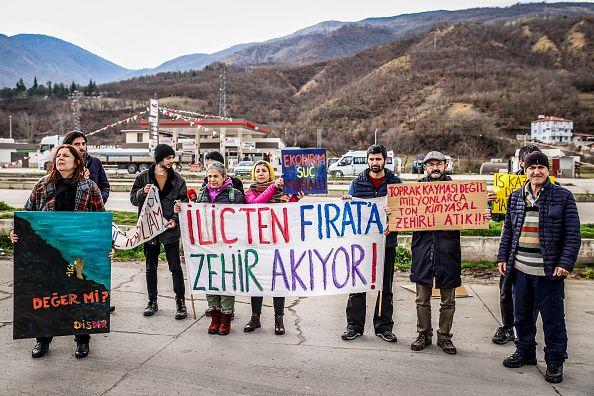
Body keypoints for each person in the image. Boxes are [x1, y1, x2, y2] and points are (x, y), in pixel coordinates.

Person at [9, 144, 105, 359]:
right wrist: (16, 234)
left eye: (65, 156)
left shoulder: (89, 187)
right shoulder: (43, 185)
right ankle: (43, 339)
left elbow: (100, 220)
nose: (60, 159)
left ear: (76, 162)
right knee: (47, 295)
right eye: (58, 156)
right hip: (48, 253)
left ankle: (82, 339)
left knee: (80, 295)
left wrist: (104, 248)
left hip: (78, 252)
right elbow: (27, 215)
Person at [498, 152, 580, 384]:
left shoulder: (563, 197)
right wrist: (503, 256)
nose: (536, 171)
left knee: (553, 321)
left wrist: (565, 263)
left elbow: (572, 235)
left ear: (548, 170)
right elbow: (508, 231)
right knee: (521, 317)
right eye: (532, 168)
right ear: (525, 171)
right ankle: (525, 352)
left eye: (541, 167)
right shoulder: (516, 197)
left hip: (549, 274)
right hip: (520, 270)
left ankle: (554, 361)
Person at [405, 151, 465, 355]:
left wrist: (481, 212)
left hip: (448, 252)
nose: (435, 167)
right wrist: (393, 212)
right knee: (422, 299)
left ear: (445, 165)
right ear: (425, 167)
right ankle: (424, 334)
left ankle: (444, 336)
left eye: (439, 163)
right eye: (431, 164)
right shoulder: (415, 191)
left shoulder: (458, 191)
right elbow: (402, 213)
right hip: (423, 250)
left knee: (448, 300)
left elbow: (469, 215)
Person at [341, 144, 401, 343]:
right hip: (363, 243)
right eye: (372, 159)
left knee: (386, 286)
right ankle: (354, 326)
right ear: (367, 160)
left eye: (379, 159)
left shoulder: (395, 183)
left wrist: (393, 223)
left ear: (385, 160)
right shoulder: (357, 183)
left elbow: (402, 211)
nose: (375, 162)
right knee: (357, 283)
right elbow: (348, 211)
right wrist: (347, 201)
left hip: (387, 242)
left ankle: (384, 327)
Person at [242, 160, 304, 335]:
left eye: (264, 170)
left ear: (270, 173)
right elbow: (257, 204)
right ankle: (255, 317)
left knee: (279, 280)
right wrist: (274, 187)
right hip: (258, 243)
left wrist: (295, 198)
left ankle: (279, 318)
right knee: (257, 280)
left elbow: (287, 211)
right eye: (258, 171)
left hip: (278, 242)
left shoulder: (282, 192)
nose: (261, 173)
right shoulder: (250, 192)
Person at [489, 145, 541, 345]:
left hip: (536, 252)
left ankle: (526, 330)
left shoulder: (551, 187)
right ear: (521, 163)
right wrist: (492, 203)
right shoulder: (507, 184)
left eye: (539, 162)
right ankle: (508, 326)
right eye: (530, 162)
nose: (535, 168)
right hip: (511, 249)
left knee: (533, 296)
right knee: (506, 291)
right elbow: (499, 217)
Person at [130, 144, 188, 320]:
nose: (172, 161)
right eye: (168, 158)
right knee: (150, 267)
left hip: (169, 229)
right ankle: (152, 301)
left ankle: (180, 303)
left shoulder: (178, 180)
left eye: (172, 157)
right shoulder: (142, 178)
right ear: (159, 159)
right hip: (149, 229)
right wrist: (142, 192)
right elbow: (133, 199)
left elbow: (183, 204)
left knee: (175, 268)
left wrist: (175, 219)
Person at [63, 131, 115, 313]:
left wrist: (100, 199)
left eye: (84, 143)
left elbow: (105, 186)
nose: (82, 147)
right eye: (77, 144)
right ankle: (70, 299)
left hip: (91, 219)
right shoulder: (62, 163)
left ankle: (100, 297)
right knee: (71, 263)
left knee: (91, 263)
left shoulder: (95, 163)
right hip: (70, 224)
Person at [197, 161, 245, 335]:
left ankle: (225, 319)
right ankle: (214, 318)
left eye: (216, 176)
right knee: (211, 280)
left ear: (224, 177)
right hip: (208, 245)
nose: (212, 179)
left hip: (228, 247)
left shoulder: (236, 195)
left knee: (226, 280)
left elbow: (245, 220)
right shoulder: (202, 193)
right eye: (209, 176)